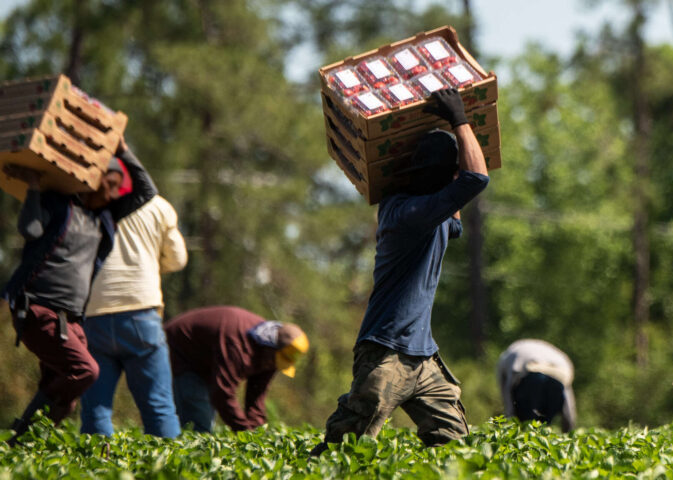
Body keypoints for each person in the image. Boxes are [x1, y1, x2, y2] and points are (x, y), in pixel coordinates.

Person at [311, 88, 490, 455]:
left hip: (422, 356)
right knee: (346, 448)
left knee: (454, 443)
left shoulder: (432, 212)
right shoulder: (406, 213)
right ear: (443, 176)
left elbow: (459, 204)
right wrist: (459, 119)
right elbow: (476, 180)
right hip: (386, 354)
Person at [2, 137, 157, 445]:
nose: (113, 193)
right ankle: (20, 441)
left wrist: (123, 150)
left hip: (71, 320)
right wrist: (34, 187)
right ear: (90, 180)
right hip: (37, 309)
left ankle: (25, 449)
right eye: (109, 184)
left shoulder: (105, 219)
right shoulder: (59, 205)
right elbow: (30, 231)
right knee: (84, 371)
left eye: (117, 187)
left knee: (65, 393)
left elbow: (146, 191)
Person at [79, 193, 188, 438]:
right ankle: (167, 472)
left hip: (94, 312)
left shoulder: (86, 201)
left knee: (96, 409)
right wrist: (151, 264)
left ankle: (95, 471)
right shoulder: (158, 205)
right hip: (140, 312)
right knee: (158, 407)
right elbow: (178, 259)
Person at [164, 306, 309, 432]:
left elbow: (256, 397)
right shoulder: (238, 345)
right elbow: (222, 393)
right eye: (276, 360)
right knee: (198, 423)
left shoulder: (270, 357)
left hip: (206, 362)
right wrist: (244, 431)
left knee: (205, 421)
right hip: (179, 351)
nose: (274, 366)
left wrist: (257, 434)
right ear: (270, 346)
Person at [496, 339, 577, 432]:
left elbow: (507, 388)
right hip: (554, 375)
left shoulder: (507, 356)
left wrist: (510, 415)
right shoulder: (559, 357)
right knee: (543, 425)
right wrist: (569, 428)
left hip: (530, 376)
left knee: (525, 423)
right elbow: (567, 399)